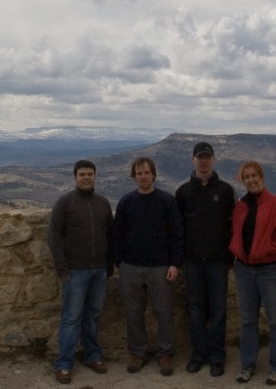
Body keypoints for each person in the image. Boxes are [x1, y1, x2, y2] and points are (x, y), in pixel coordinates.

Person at [113, 157, 184, 377]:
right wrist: (121, 263)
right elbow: (117, 235)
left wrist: (174, 263)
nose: (143, 176)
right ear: (134, 177)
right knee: (134, 312)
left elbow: (177, 234)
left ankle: (165, 353)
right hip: (131, 267)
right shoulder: (126, 202)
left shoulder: (166, 201)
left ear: (153, 175)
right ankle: (137, 352)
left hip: (160, 267)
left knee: (163, 312)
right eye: (139, 173)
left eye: (146, 172)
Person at [229, 161, 276, 386]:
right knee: (248, 320)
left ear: (262, 177)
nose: (251, 179)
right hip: (245, 270)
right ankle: (247, 365)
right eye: (246, 176)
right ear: (243, 180)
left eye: (254, 175)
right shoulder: (240, 206)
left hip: (272, 270)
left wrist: (268, 249)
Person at [47, 159, 114, 385]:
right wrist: (61, 267)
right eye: (82, 174)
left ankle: (92, 356)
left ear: (95, 177)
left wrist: (110, 264)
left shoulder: (103, 203)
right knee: (71, 318)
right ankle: (64, 364)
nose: (86, 177)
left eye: (90, 174)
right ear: (75, 178)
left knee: (93, 315)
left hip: (99, 270)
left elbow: (111, 236)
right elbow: (54, 235)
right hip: (74, 271)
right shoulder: (65, 202)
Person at [175, 141, 236, 377]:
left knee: (219, 309)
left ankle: (217, 356)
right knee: (195, 308)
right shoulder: (182, 191)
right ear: (193, 160)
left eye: (207, 157)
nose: (203, 161)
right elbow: (177, 227)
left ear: (213, 160)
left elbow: (234, 225)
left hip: (218, 261)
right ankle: (199, 354)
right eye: (199, 157)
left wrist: (231, 257)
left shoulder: (226, 190)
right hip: (192, 261)